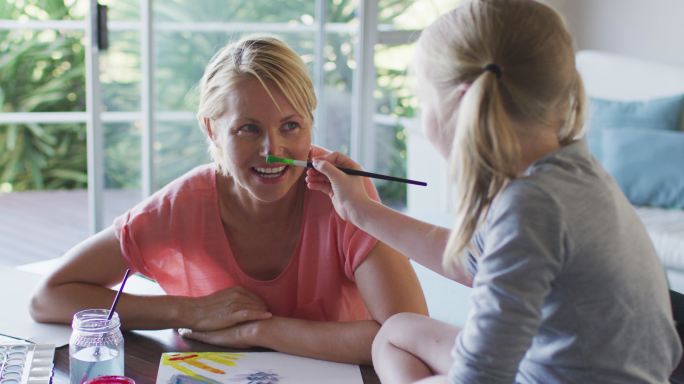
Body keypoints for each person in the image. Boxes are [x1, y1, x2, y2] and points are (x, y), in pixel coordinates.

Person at [306, 0, 682, 382]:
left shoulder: (530, 207)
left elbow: (481, 375)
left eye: (423, 99)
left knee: (397, 343)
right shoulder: (571, 169)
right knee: (397, 332)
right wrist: (361, 212)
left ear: (462, 103)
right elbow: (472, 262)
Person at [29, 35, 427, 365]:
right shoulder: (181, 205)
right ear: (211, 129)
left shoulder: (344, 195)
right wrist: (186, 310)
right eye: (248, 129)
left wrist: (260, 330)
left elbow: (410, 335)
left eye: (291, 125)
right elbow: (50, 297)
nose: (274, 149)